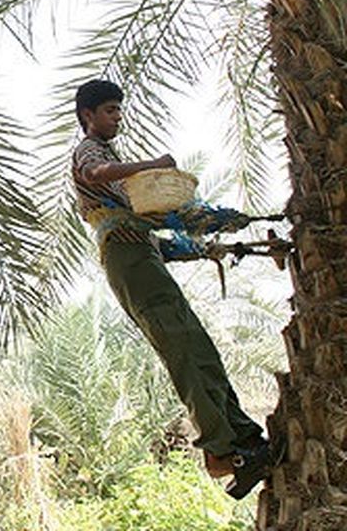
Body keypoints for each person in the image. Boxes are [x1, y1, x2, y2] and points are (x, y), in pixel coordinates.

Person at [71, 78, 281, 500]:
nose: (116, 117)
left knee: (200, 350)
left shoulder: (123, 187)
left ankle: (244, 438)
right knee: (183, 351)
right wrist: (152, 166)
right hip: (130, 264)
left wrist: (202, 245)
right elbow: (96, 173)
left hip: (144, 259)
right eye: (109, 110)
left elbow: (147, 230)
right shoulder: (91, 153)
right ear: (87, 116)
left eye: (118, 109)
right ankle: (223, 453)